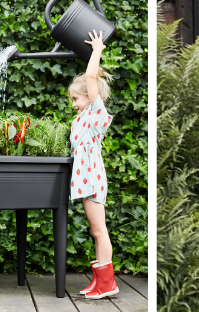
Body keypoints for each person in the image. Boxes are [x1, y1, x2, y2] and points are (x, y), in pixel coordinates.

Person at [68, 29, 119, 299]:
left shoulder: (96, 114)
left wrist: (97, 50)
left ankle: (107, 283)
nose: (74, 104)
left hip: (93, 180)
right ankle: (102, 280)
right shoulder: (81, 120)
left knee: (100, 231)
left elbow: (90, 77)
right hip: (87, 180)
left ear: (89, 96)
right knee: (95, 230)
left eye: (76, 98)